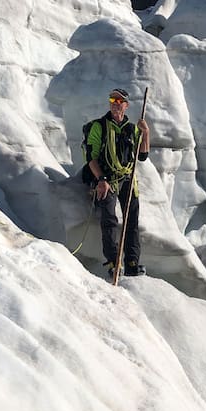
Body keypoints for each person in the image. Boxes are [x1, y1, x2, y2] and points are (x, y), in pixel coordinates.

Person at [83, 87, 150, 277]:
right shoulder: (99, 126)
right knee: (109, 220)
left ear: (126, 106)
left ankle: (132, 263)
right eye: (113, 100)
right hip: (107, 179)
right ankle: (113, 262)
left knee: (131, 222)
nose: (116, 104)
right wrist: (101, 180)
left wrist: (146, 133)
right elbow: (91, 157)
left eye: (120, 101)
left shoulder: (132, 129)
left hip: (127, 180)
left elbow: (143, 155)